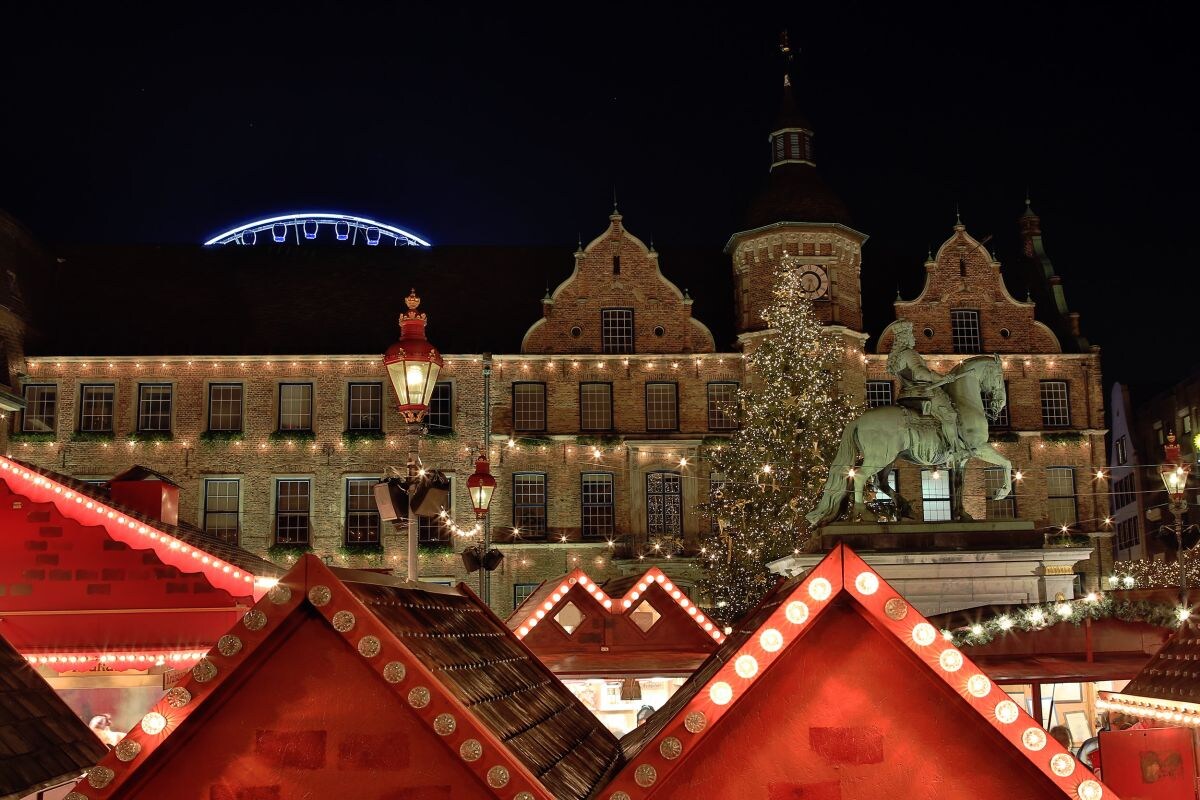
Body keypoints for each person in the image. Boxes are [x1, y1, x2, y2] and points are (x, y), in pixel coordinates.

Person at [886, 321, 962, 455]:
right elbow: (920, 373)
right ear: (905, 337)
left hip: (905, 395)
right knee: (949, 415)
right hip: (921, 393)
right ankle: (956, 450)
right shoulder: (909, 353)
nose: (914, 338)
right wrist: (942, 378)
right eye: (911, 335)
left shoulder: (898, 356)